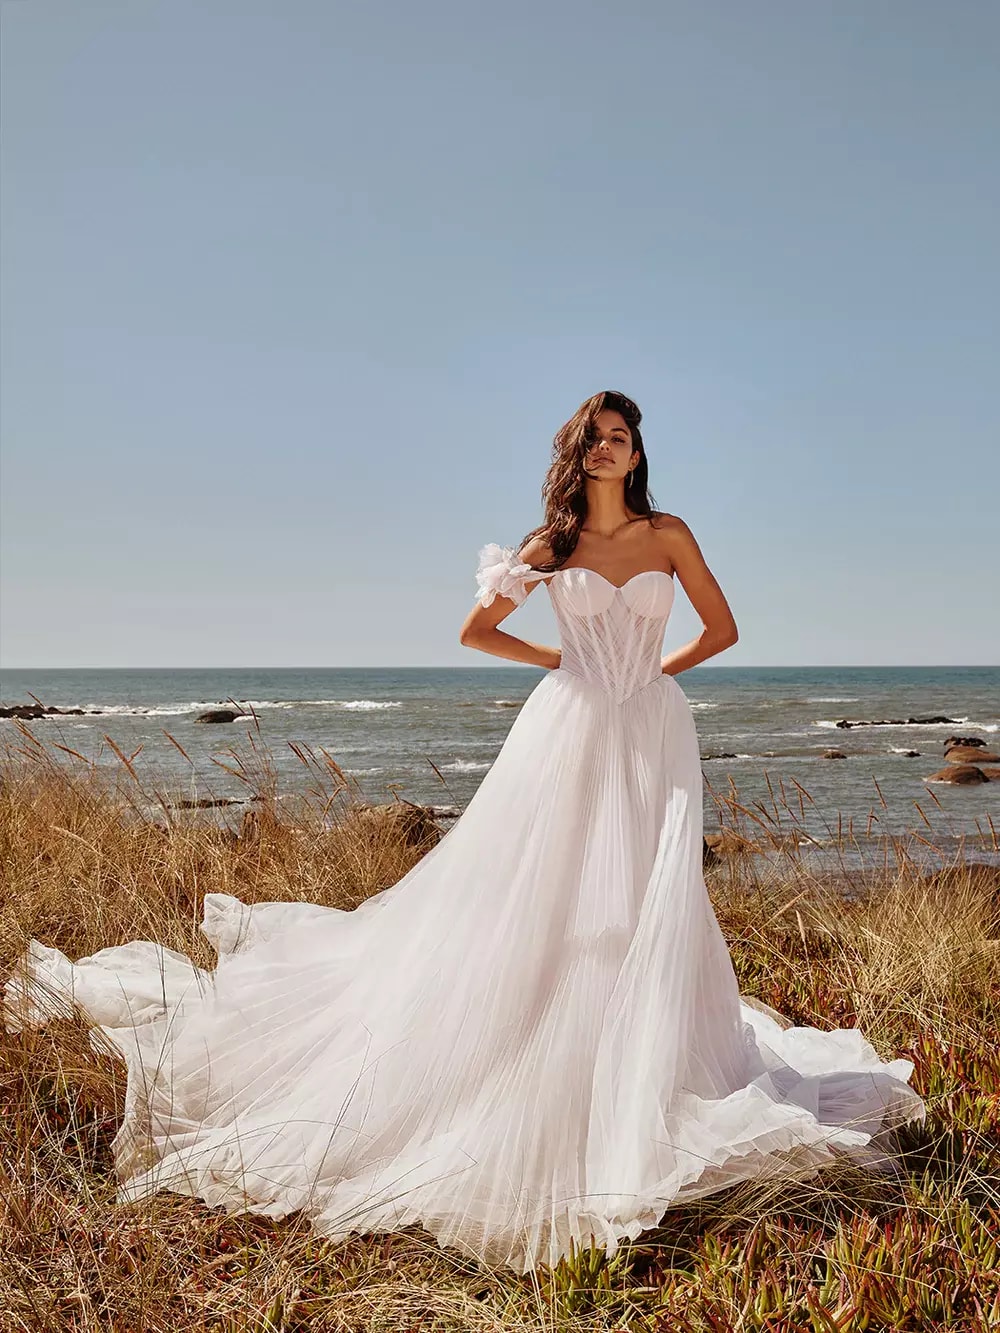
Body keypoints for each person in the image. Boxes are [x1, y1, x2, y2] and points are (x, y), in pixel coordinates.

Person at [5, 390, 925, 1275]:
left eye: (621, 435)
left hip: (651, 726)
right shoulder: (552, 543)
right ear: (578, 451)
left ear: (639, 451)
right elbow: (477, 629)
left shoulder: (669, 533)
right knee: (552, 887)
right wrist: (565, 660)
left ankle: (651, 1058)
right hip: (569, 725)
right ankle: (542, 1051)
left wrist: (653, 676)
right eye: (595, 435)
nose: (608, 446)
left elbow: (722, 628)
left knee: (653, 886)